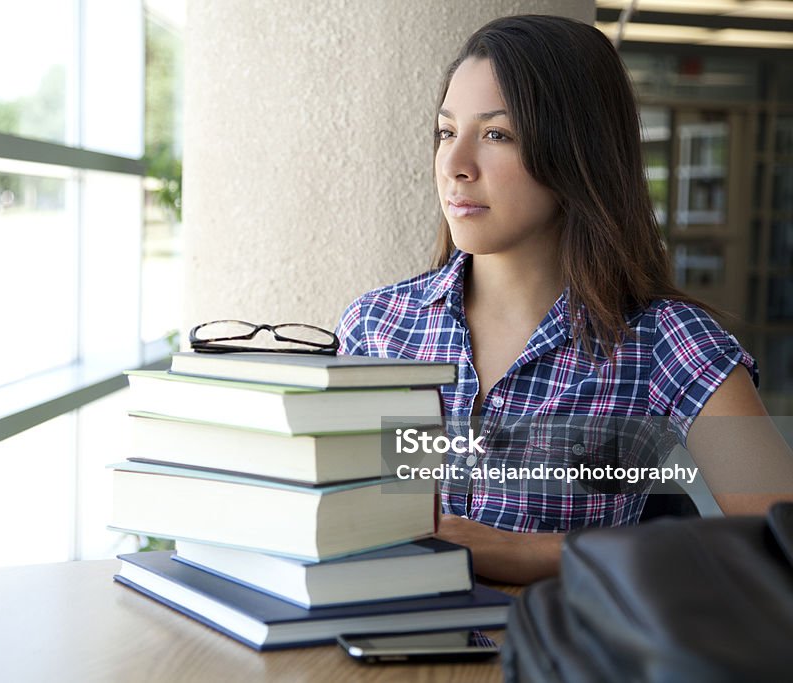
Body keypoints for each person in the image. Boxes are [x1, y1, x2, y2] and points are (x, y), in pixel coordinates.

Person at [336, 15, 793, 584]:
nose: (456, 166)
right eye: (447, 132)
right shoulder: (376, 328)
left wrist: (537, 554)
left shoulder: (664, 343)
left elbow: (782, 538)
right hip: (375, 664)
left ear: (577, 152)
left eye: (497, 135)